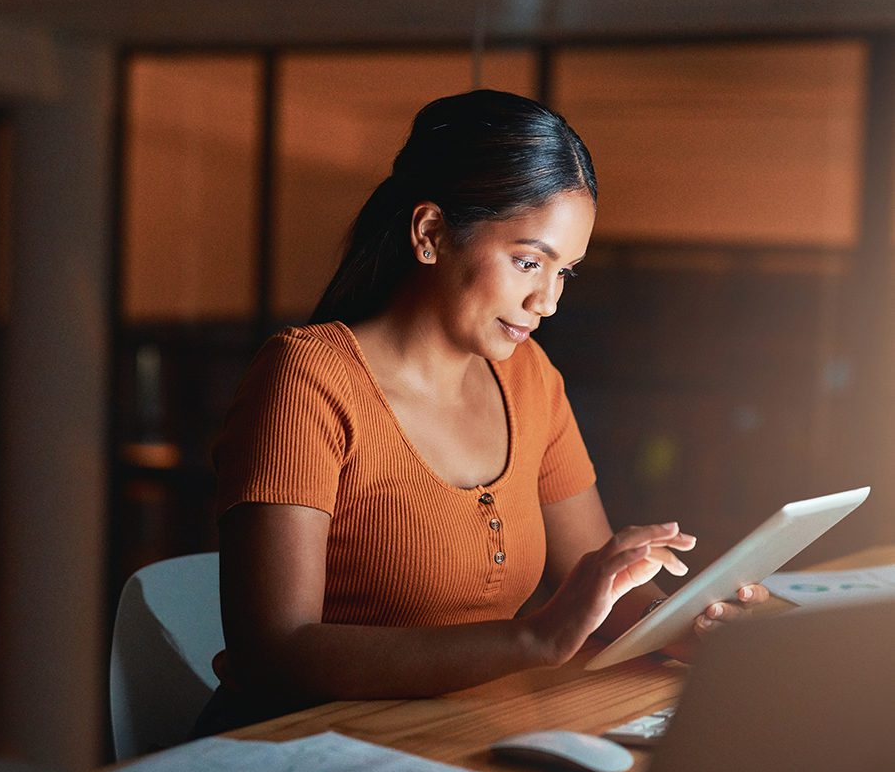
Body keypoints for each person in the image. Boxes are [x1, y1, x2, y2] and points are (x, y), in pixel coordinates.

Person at [194, 89, 768, 737]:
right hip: (302, 757)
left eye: (565, 274)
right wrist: (531, 642)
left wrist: (687, 626)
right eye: (528, 262)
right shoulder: (306, 379)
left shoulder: (531, 381)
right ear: (431, 233)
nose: (546, 301)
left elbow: (601, 603)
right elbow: (272, 651)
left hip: (452, 740)